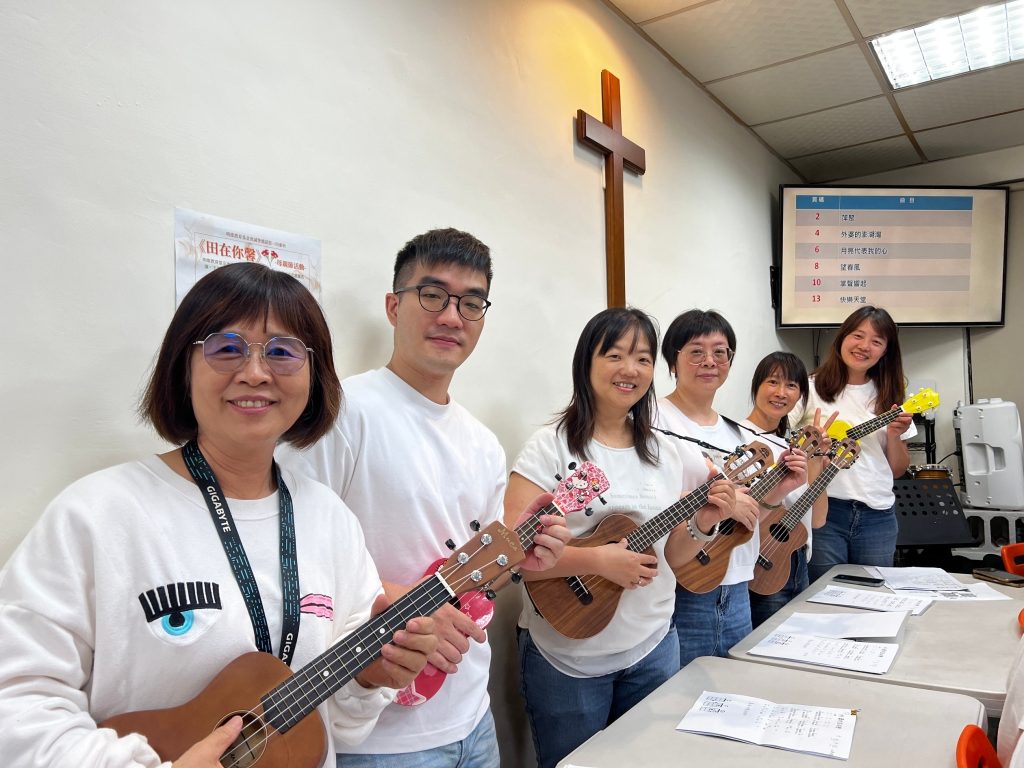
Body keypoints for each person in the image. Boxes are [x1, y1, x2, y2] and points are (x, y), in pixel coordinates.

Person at [0, 262, 437, 768]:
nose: (255, 372)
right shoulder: (97, 514)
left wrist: (367, 677)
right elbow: (16, 702)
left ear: (313, 376)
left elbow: (337, 728)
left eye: (283, 352)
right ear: (183, 367)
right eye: (227, 348)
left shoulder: (330, 519)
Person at [278, 228, 569, 768]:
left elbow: (479, 577)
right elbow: (288, 557)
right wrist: (410, 607)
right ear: (394, 306)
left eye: (471, 303)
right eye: (433, 295)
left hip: (474, 719)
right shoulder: (340, 414)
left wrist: (519, 556)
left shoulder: (482, 442)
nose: (452, 316)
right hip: (377, 739)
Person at [505, 307, 757, 768]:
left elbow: (675, 558)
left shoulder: (667, 451)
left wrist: (703, 523)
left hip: (654, 648)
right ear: (586, 362)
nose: (631, 369)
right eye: (615, 355)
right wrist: (598, 562)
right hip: (568, 660)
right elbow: (510, 555)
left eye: (642, 359)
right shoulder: (550, 446)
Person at [657, 309, 806, 667]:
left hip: (737, 583)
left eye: (720, 352)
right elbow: (644, 502)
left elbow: (747, 517)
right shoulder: (652, 421)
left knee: (731, 689)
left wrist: (778, 490)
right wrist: (719, 504)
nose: (709, 361)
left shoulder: (736, 433)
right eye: (696, 351)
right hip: (683, 584)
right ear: (673, 360)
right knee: (680, 694)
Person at [790, 305, 915, 583]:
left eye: (876, 341)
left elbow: (897, 470)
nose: (864, 346)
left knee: (872, 595)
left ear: (886, 351)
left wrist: (894, 435)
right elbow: (779, 438)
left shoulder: (891, 396)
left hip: (877, 515)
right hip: (824, 509)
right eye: (858, 336)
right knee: (821, 594)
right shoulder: (809, 387)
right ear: (842, 337)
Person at [742, 352, 830, 628]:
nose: (781, 393)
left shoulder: (792, 446)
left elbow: (818, 519)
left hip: (799, 563)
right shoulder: (738, 439)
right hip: (761, 565)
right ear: (756, 385)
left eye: (791, 385)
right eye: (773, 382)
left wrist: (817, 461)